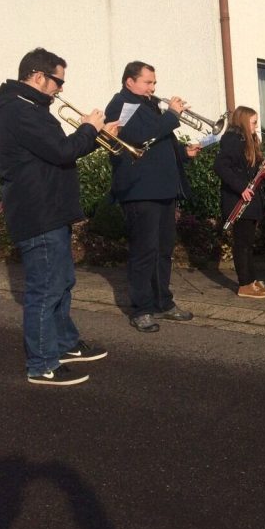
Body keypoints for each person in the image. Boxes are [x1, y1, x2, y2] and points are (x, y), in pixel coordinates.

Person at [0, 47, 112, 385]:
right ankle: (42, 364)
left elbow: (58, 153)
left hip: (51, 211)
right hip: (38, 214)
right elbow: (61, 151)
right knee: (44, 290)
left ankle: (65, 343)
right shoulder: (19, 111)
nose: (60, 89)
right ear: (38, 76)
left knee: (62, 283)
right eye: (58, 81)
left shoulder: (29, 109)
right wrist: (88, 128)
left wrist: (97, 135)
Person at [106, 61, 199, 333]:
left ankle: (163, 302)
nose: (153, 87)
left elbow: (161, 141)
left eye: (154, 82)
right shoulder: (120, 106)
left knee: (163, 251)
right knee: (143, 252)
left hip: (163, 189)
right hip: (140, 190)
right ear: (129, 82)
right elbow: (140, 136)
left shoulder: (148, 106)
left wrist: (183, 152)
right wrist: (171, 115)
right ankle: (141, 309)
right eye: (148, 82)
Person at [213, 106, 265, 299]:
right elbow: (221, 166)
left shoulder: (249, 141)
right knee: (242, 243)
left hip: (250, 199)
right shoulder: (232, 139)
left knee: (248, 242)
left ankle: (252, 280)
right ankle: (244, 284)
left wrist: (264, 171)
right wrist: (240, 187)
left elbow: (249, 169)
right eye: (253, 122)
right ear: (243, 121)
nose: (256, 126)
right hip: (238, 199)